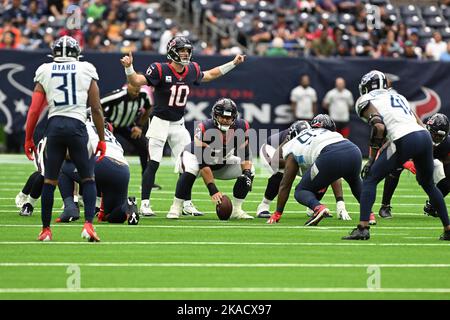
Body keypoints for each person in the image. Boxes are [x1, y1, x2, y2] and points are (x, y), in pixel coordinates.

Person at [120, 36, 246, 217]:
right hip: (159, 122)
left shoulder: (191, 69)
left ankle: (186, 203)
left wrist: (233, 63)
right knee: (153, 162)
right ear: (172, 52)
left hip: (178, 123)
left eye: (187, 50)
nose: (185, 53)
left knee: (189, 164)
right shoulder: (160, 69)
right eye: (182, 50)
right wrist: (129, 68)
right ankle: (145, 204)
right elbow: (137, 82)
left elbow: (210, 75)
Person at [343, 70, 450, 241]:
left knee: (370, 178)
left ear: (367, 86)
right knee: (429, 185)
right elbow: (419, 123)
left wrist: (371, 159)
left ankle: (363, 228)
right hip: (423, 136)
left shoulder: (365, 100)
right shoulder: (397, 96)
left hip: (404, 138)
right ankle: (448, 229)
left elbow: (378, 128)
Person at [24, 36, 106, 242]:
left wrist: (28, 138)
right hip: (77, 125)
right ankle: (88, 225)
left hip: (54, 126)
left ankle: (45, 230)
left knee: (50, 181)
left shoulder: (44, 69)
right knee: (88, 179)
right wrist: (102, 138)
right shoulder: (86, 68)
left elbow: (34, 110)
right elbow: (96, 108)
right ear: (75, 53)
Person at [166, 98, 254, 220]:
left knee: (251, 170)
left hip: (221, 161)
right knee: (191, 169)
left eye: (228, 118)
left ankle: (236, 209)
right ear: (215, 116)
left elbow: (245, 155)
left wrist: (247, 173)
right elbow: (203, 165)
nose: (225, 120)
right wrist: (213, 189)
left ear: (234, 118)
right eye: (222, 117)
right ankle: (175, 207)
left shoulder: (242, 127)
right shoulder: (204, 127)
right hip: (194, 158)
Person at [267, 115, 362, 226]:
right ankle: (369, 214)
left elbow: (285, 183)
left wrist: (277, 213)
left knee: (300, 191)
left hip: (329, 155)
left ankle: (318, 208)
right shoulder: (328, 134)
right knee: (355, 182)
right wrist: (340, 203)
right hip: (354, 150)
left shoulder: (293, 145)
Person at [56, 119, 139, 225]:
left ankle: (70, 208)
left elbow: (69, 155)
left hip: (101, 163)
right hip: (123, 169)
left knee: (60, 164)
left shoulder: (81, 126)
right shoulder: (108, 133)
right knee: (111, 216)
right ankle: (127, 206)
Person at [378, 113, 450, 219]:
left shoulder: (446, 143)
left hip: (431, 159)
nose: (436, 138)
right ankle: (385, 206)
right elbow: (394, 151)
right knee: (395, 169)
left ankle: (432, 205)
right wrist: (406, 162)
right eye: (434, 134)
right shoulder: (416, 135)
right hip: (409, 155)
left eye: (440, 136)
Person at [100, 84, 157, 182]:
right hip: (110, 125)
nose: (136, 93)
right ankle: (98, 178)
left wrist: (139, 126)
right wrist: (102, 123)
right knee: (104, 149)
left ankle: (147, 181)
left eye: (138, 90)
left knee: (145, 146)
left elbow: (149, 109)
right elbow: (98, 105)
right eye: (134, 90)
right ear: (128, 86)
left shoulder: (143, 95)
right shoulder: (118, 95)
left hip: (127, 126)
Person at [15, 138, 46, 216]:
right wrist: (28, 140)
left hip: (71, 139)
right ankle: (29, 204)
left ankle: (75, 200)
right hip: (48, 140)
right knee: (44, 173)